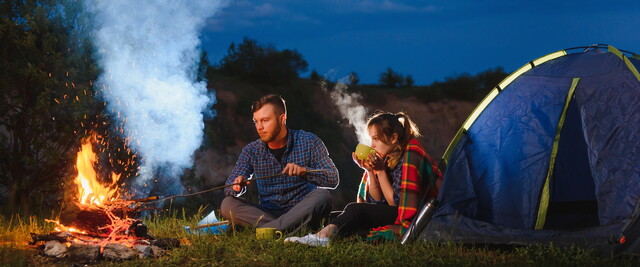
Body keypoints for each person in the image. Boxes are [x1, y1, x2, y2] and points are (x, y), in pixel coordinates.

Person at [285, 111, 442, 246]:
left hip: (419, 217)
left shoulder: (410, 155)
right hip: (395, 212)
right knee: (339, 215)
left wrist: (379, 172)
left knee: (356, 210)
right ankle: (324, 236)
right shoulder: (387, 158)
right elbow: (378, 201)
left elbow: (398, 204)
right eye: (371, 139)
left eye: (376, 139)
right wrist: (370, 171)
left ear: (393, 138)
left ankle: (321, 238)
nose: (372, 145)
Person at [220, 94, 339, 234]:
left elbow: (333, 178)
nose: (259, 127)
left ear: (282, 118)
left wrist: (304, 171)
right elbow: (229, 189)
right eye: (256, 121)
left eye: (265, 120)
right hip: (267, 213)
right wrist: (237, 184)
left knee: (322, 195)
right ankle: (283, 230)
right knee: (227, 204)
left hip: (302, 211)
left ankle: (269, 230)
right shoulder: (251, 150)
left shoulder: (309, 141)